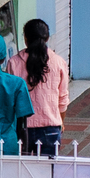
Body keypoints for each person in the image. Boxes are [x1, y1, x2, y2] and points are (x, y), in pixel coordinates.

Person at [14, 15, 69, 159]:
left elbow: (10, 98)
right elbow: (62, 100)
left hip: (21, 127)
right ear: (47, 38)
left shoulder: (14, 62)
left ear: (25, 38)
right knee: (47, 173)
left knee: (22, 172)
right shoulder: (59, 62)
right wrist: (60, 121)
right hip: (50, 127)